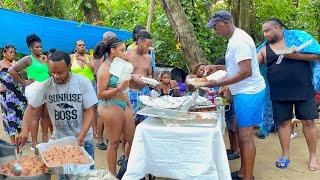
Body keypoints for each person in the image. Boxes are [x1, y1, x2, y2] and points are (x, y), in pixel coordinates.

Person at [204, 10, 266, 180]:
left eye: (216, 27)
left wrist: (219, 83)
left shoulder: (240, 41)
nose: (215, 31)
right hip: (243, 91)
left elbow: (246, 71)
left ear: (225, 23)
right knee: (241, 133)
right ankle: (242, 172)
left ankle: (248, 177)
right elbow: (236, 68)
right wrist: (216, 68)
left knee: (246, 137)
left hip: (249, 92)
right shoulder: (234, 39)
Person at [257, 18, 320, 170]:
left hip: (304, 90)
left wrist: (293, 55)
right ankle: (285, 155)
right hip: (279, 92)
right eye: (263, 32)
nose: (265, 34)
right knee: (283, 123)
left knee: (309, 122)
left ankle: (313, 157)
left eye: (268, 30)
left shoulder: (298, 38)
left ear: (278, 27)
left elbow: (317, 54)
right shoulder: (264, 49)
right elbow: (250, 64)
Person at [16, 51, 97, 160]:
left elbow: (90, 111)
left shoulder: (83, 82)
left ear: (69, 66)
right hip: (59, 141)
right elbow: (30, 109)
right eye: (53, 72)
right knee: (62, 175)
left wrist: (81, 136)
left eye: (60, 72)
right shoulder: (46, 85)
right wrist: (24, 130)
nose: (56, 76)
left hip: (84, 139)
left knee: (86, 175)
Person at [94, 37, 136, 177]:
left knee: (133, 140)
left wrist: (128, 101)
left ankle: (128, 169)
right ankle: (112, 175)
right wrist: (118, 89)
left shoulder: (119, 65)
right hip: (109, 105)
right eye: (122, 50)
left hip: (123, 103)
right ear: (113, 51)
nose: (125, 53)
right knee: (114, 142)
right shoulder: (104, 69)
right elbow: (100, 94)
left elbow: (124, 86)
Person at [9, 34, 52, 149]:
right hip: (35, 88)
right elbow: (11, 70)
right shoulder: (28, 59)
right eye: (37, 47)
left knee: (46, 115)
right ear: (30, 48)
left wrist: (47, 61)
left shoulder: (43, 58)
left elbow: (50, 72)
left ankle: (45, 139)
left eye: (40, 47)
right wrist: (23, 81)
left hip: (47, 87)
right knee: (35, 116)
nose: (40, 49)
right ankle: (34, 143)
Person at [0, 45, 27, 144]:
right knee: (10, 118)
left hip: (19, 94)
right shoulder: (1, 64)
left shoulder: (16, 64)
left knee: (21, 116)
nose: (13, 54)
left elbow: (24, 76)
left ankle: (21, 139)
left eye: (14, 52)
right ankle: (13, 143)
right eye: (10, 52)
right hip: (7, 96)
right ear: (4, 53)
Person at [214, 56, 240, 160]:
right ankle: (232, 148)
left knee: (235, 129)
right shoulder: (225, 79)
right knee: (230, 129)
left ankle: (236, 151)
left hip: (234, 107)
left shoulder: (233, 77)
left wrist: (223, 91)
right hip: (228, 107)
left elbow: (227, 93)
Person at [126, 30, 153, 123]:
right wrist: (132, 76)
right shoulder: (127, 55)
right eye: (147, 45)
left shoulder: (149, 58)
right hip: (131, 92)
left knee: (146, 121)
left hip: (145, 92)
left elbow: (149, 73)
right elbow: (119, 74)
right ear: (139, 42)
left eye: (150, 45)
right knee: (131, 121)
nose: (149, 48)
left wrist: (150, 80)